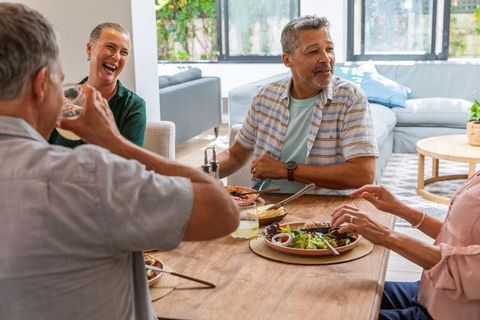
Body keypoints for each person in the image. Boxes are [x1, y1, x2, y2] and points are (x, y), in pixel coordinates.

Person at [0, 3, 238, 320]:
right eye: (58, 80)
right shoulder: (89, 176)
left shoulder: (128, 109)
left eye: (123, 51)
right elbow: (222, 211)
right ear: (41, 84)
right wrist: (111, 139)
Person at [218, 15, 378, 194]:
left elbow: (363, 174)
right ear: (287, 60)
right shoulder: (265, 97)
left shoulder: (350, 98)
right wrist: (198, 173)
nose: (326, 58)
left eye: (329, 49)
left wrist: (286, 170)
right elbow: (235, 155)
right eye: (313, 52)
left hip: (325, 209)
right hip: (266, 204)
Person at [330, 183, 480, 320]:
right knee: (338, 293)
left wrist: (386, 236)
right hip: (428, 292)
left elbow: (469, 270)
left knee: (339, 314)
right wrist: (400, 209)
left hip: (449, 312)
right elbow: (459, 235)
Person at [49, 22, 146, 147]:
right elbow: (43, 151)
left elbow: (132, 162)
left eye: (124, 53)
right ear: (89, 49)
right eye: (110, 47)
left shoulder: (133, 106)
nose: (117, 57)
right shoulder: (63, 98)